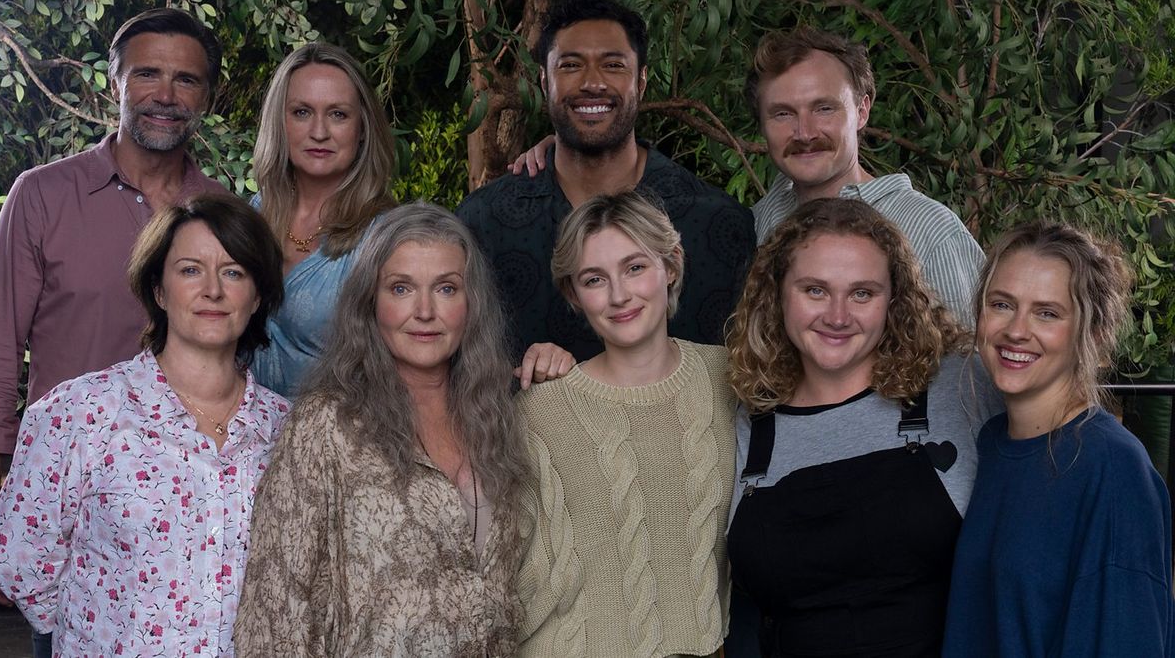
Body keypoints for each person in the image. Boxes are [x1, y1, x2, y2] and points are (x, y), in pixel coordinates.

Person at [0, 8, 226, 656]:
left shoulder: (223, 215)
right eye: (147, 74)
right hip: (73, 525)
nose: (165, 96)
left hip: (195, 535)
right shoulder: (42, 197)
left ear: (207, 96)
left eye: (186, 80)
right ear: (110, 84)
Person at [0, 194, 289, 656]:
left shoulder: (286, 430)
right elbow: (19, 563)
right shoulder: (79, 413)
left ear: (258, 294)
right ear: (159, 291)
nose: (213, 290)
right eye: (190, 270)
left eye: (234, 272)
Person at [234, 204, 528, 656]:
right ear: (370, 301)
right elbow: (274, 612)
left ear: (472, 304)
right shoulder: (325, 426)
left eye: (446, 288)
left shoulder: (498, 421)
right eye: (401, 288)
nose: (425, 311)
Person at [725, 198, 999, 656]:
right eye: (814, 290)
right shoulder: (747, 419)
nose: (837, 316)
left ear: (895, 299)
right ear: (776, 294)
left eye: (862, 293)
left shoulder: (962, 385)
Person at [457, 0, 755, 363]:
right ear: (544, 80)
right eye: (570, 65)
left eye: (613, 65)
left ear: (641, 81)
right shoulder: (482, 225)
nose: (592, 82)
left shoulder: (718, 223)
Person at [516, 191, 736, 657]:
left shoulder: (732, 380)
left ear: (671, 266)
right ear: (574, 294)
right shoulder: (541, 409)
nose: (618, 295)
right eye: (595, 279)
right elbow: (518, 573)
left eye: (635, 267)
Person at [943, 223, 1173, 657]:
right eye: (1001, 304)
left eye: (1047, 312)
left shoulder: (1112, 470)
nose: (1016, 330)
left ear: (1095, 333)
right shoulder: (991, 444)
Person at [746, 26, 983, 327]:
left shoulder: (930, 230)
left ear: (862, 111)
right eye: (783, 114)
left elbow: (972, 365)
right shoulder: (756, 223)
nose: (804, 133)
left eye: (824, 108)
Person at [248, 42, 397, 397]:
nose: (319, 132)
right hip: (237, 438)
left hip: (336, 441)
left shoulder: (388, 237)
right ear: (279, 122)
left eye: (338, 114)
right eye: (301, 112)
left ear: (362, 128)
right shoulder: (252, 214)